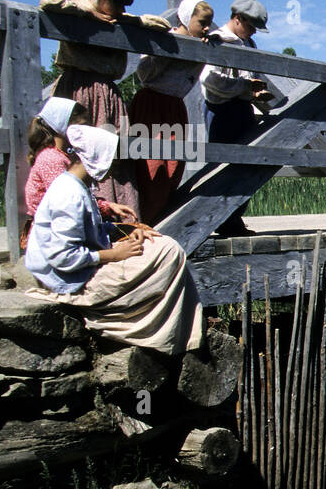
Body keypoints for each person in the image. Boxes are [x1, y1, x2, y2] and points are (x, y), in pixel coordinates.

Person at [24, 124, 204, 356]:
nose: (116, 166)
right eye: (113, 160)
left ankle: (182, 333)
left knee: (162, 244)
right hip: (68, 277)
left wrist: (127, 231)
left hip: (82, 263)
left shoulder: (79, 186)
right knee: (168, 253)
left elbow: (94, 228)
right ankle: (160, 333)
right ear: (97, 158)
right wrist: (113, 255)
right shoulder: (69, 195)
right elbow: (62, 257)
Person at [40, 0, 170, 216]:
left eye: (123, 5)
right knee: (74, 149)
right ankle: (76, 215)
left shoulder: (120, 18)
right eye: (116, 3)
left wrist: (130, 20)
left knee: (115, 152)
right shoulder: (78, 8)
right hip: (77, 89)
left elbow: (161, 24)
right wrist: (87, 12)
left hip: (107, 94)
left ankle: (117, 219)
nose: (120, 9)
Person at [127, 0, 214, 224]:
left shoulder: (200, 45)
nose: (206, 28)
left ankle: (158, 218)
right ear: (186, 19)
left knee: (174, 164)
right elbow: (145, 73)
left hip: (174, 106)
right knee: (151, 164)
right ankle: (142, 219)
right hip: (153, 105)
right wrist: (169, 50)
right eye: (202, 22)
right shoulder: (168, 40)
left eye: (209, 23)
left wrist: (207, 46)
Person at [200, 0, 275, 235]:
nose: (253, 31)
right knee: (222, 165)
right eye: (251, 25)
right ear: (238, 18)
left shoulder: (248, 44)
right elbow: (211, 81)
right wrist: (245, 87)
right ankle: (222, 218)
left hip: (242, 109)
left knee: (246, 164)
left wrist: (255, 92)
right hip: (222, 109)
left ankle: (235, 216)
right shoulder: (219, 41)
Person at [24, 97, 136, 222]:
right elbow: (68, 204)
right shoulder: (52, 160)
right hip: (52, 232)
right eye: (81, 126)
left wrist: (108, 206)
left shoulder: (65, 155)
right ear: (62, 124)